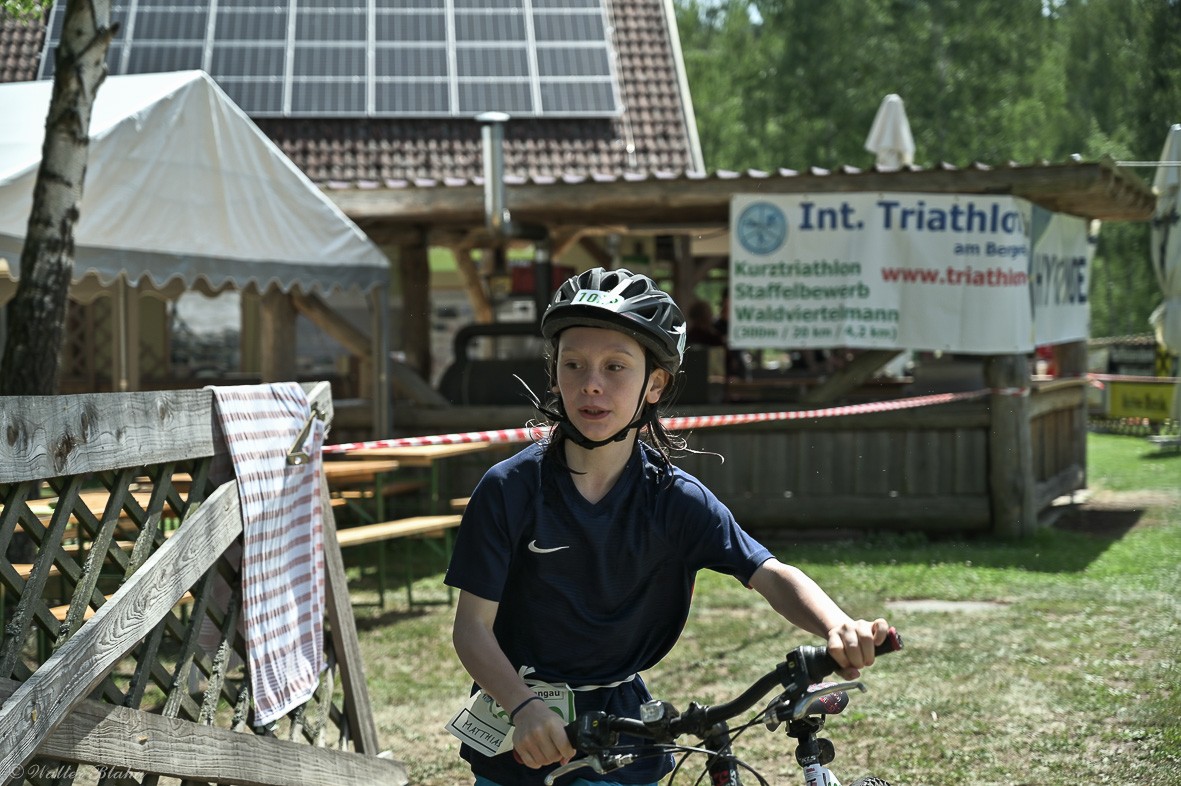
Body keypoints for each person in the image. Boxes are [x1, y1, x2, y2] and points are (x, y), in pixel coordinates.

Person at [444, 267, 890, 786]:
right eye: (573, 364)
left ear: (654, 384)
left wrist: (837, 625)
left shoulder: (675, 499)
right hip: (519, 724)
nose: (591, 383)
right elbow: (471, 629)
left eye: (615, 366)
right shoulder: (508, 489)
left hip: (626, 727)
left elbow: (768, 572)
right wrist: (522, 706)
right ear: (554, 372)